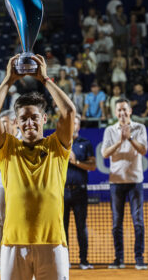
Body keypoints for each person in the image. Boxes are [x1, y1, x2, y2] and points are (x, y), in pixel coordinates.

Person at [0, 53, 76, 279]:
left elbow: (69, 112)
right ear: (16, 122)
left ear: (44, 119)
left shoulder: (57, 146)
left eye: (35, 117)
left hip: (53, 242)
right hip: (14, 243)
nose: (29, 122)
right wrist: (8, 80)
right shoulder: (7, 148)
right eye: (23, 118)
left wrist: (45, 80)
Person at [101, 98, 148, 270]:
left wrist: (130, 137)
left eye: (124, 110)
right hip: (116, 183)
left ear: (130, 111)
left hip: (135, 182)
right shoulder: (109, 130)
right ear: (115, 113)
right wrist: (120, 141)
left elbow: (143, 150)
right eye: (119, 110)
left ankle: (139, 258)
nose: (122, 113)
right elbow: (105, 153)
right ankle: (118, 258)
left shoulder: (140, 128)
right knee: (116, 223)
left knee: (138, 222)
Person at [64, 114, 96, 270]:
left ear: (79, 126)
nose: (73, 125)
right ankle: (64, 261)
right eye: (70, 123)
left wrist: (75, 161)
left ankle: (83, 260)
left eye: (75, 123)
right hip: (62, 193)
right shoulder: (59, 144)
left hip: (80, 192)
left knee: (81, 227)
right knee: (62, 229)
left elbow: (92, 166)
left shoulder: (86, 143)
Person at [0, 110, 21, 263]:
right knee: (3, 220)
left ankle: (22, 255)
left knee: (23, 220)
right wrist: (1, 150)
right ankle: (2, 257)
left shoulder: (26, 139)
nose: (1, 126)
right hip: (2, 186)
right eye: (0, 123)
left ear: (14, 122)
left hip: (23, 188)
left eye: (4, 122)